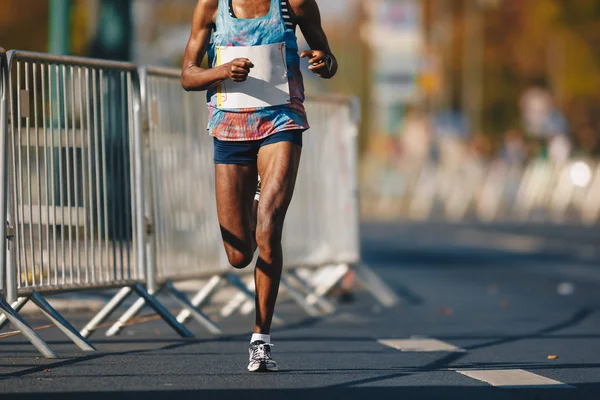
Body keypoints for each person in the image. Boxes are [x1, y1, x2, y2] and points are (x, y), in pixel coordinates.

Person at [181, 0, 337, 372]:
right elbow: (187, 75)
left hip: (281, 121)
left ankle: (260, 339)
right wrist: (221, 71)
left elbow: (328, 61)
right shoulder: (211, 6)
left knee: (268, 227)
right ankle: (256, 195)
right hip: (230, 130)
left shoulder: (294, 3)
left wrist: (323, 61)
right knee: (238, 254)